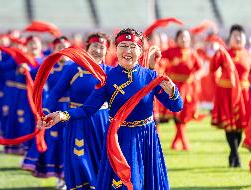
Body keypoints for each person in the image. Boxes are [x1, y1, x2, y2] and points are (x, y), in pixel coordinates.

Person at [41, 28, 183, 190]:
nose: (128, 51)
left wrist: (173, 92)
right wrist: (62, 114)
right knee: (127, 184)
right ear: (116, 49)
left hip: (146, 137)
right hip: (119, 138)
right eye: (123, 46)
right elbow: (87, 110)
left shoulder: (150, 76)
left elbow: (176, 106)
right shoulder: (107, 79)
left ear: (140, 51)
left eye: (132, 47)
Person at [41, 32, 111, 189]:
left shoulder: (110, 72)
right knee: (78, 159)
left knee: (100, 159)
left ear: (107, 51)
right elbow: (56, 92)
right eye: (95, 46)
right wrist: (44, 112)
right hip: (76, 120)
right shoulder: (73, 68)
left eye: (102, 47)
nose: (97, 51)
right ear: (87, 47)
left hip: (101, 121)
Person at [21, 36, 71, 189]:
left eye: (65, 46)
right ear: (54, 49)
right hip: (54, 108)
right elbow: (34, 72)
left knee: (70, 142)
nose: (62, 50)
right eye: (59, 47)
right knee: (56, 142)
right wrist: (26, 69)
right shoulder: (48, 66)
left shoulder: (76, 67)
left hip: (71, 109)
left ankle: (71, 177)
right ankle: (60, 177)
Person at [210, 24, 250, 167]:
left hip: (243, 95)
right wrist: (217, 53)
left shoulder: (248, 55)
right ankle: (235, 154)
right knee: (229, 126)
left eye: (240, 35)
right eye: (235, 35)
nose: (238, 38)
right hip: (226, 93)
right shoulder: (224, 53)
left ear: (245, 38)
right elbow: (212, 68)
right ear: (230, 38)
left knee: (239, 127)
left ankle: (233, 153)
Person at [160, 29, 202, 150]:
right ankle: (183, 141)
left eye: (186, 38)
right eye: (182, 37)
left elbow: (200, 68)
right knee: (177, 114)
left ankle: (176, 141)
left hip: (188, 87)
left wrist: (196, 75)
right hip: (174, 86)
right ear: (177, 38)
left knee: (184, 115)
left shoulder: (192, 53)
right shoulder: (170, 51)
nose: (184, 40)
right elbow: (159, 59)